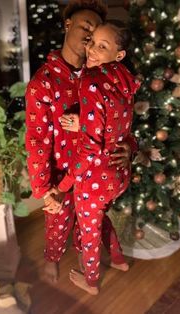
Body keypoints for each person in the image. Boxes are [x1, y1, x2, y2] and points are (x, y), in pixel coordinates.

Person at [25, 0, 136, 284]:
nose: (90, 36)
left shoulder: (105, 77)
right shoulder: (43, 83)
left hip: (94, 174)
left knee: (96, 221)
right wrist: (43, 189)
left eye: (96, 33)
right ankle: (53, 258)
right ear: (68, 25)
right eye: (86, 26)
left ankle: (105, 260)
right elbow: (37, 140)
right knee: (58, 222)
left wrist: (129, 148)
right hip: (63, 173)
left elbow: (121, 119)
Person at [51, 20, 140, 295]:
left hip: (96, 178)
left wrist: (62, 187)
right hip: (118, 175)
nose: (91, 50)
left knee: (89, 233)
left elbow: (89, 150)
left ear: (119, 54)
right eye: (92, 43)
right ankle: (118, 259)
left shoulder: (91, 80)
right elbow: (118, 125)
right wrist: (85, 123)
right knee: (102, 218)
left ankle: (91, 282)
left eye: (102, 46)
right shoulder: (124, 79)